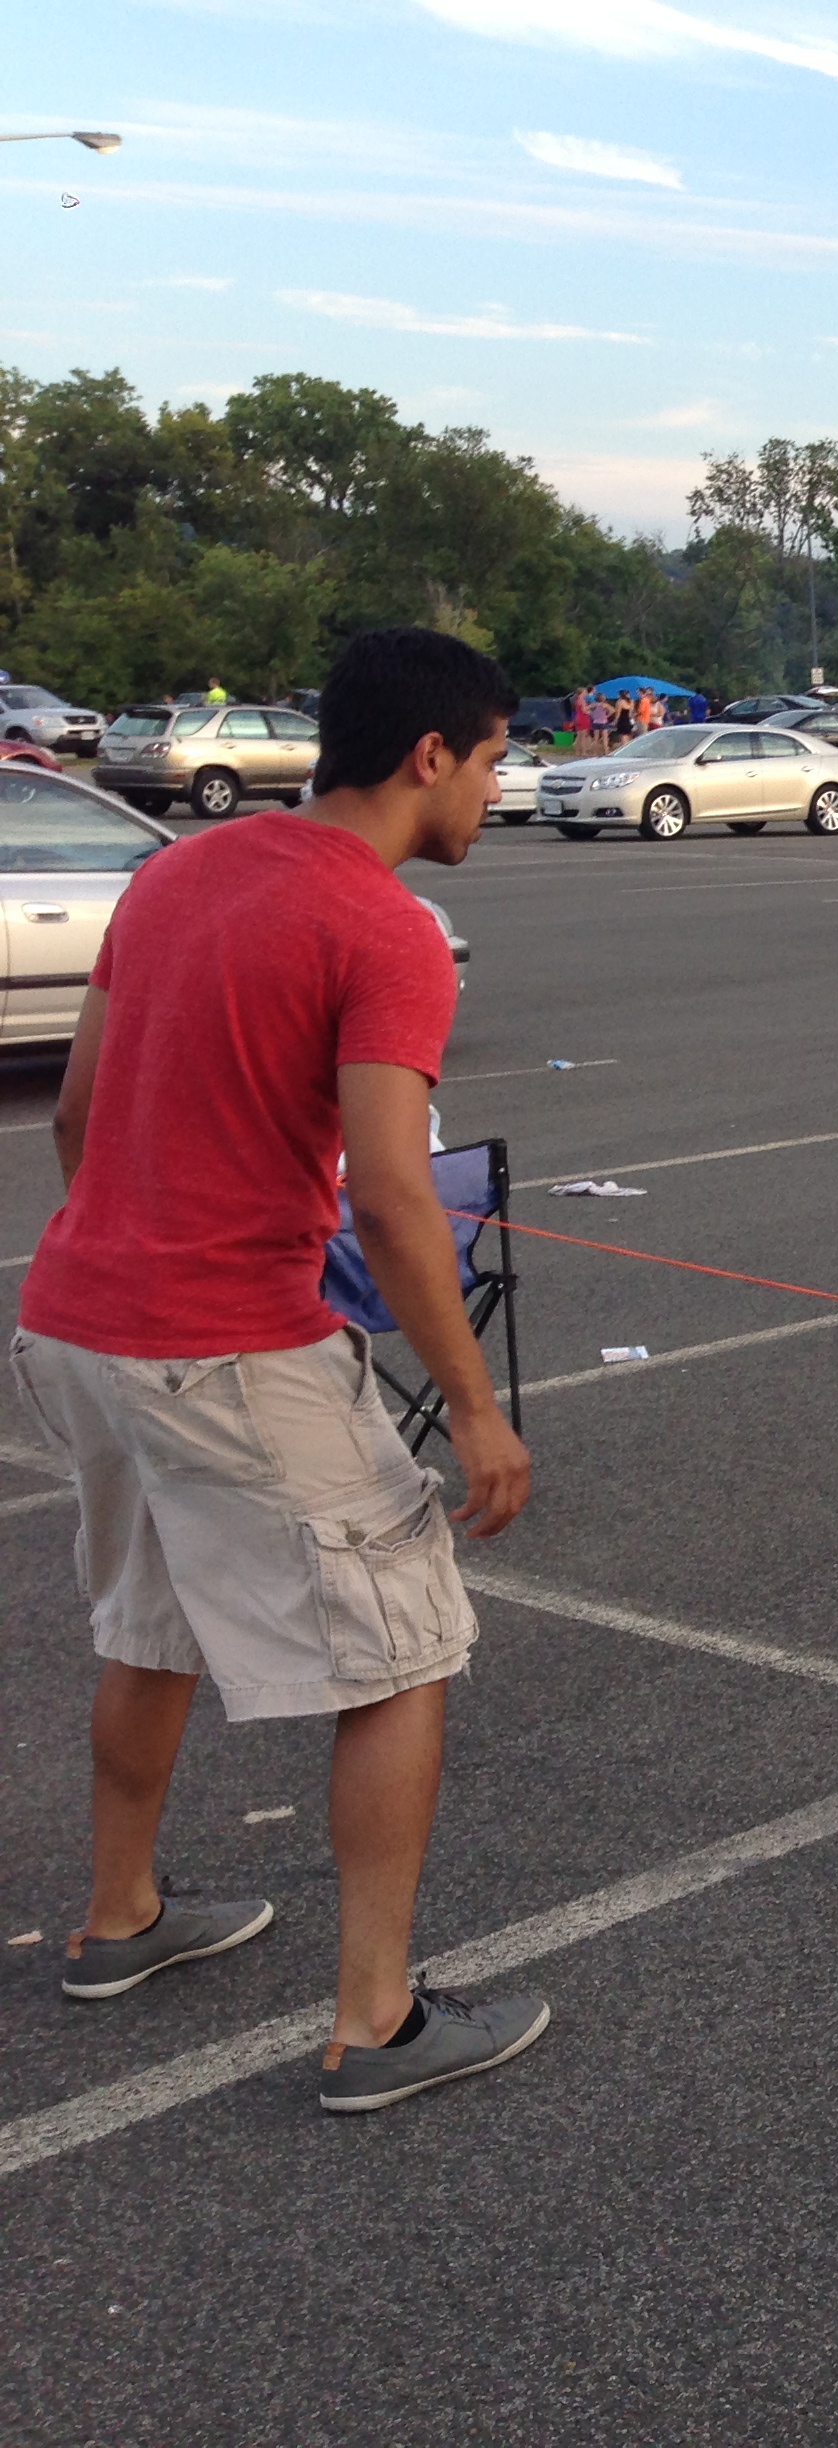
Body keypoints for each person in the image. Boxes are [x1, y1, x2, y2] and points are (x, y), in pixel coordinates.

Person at [13, 625, 548, 2111]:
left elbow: (76, 1111)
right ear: (429, 755)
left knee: (150, 1615)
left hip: (75, 1321)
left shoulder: (177, 872)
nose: (496, 790)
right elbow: (389, 1189)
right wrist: (482, 1410)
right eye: (496, 759)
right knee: (405, 1645)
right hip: (225, 1342)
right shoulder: (383, 931)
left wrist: (128, 1240)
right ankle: (374, 2021)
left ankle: (119, 1919)